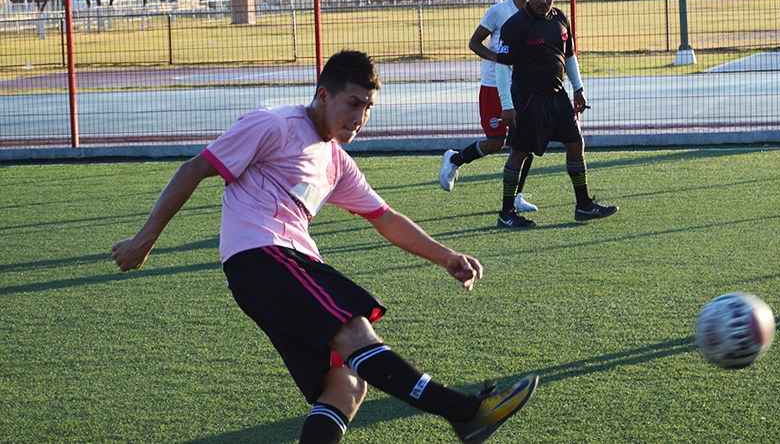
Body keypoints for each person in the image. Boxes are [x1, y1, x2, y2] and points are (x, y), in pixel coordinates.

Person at [111, 50, 537, 444]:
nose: (360, 117)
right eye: (352, 103)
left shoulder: (335, 161)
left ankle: (465, 415)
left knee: (346, 386)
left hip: (280, 265)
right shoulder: (273, 125)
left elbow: (385, 219)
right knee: (355, 332)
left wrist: (447, 257)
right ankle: (464, 412)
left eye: (367, 108)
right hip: (263, 256)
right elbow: (194, 168)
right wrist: (143, 240)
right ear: (323, 95)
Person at [492, 0, 618, 228]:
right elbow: (502, 68)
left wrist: (578, 88)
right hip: (528, 99)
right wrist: (507, 104)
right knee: (519, 152)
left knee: (575, 144)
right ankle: (506, 212)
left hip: (558, 97)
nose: (543, 1)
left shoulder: (560, 17)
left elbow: (569, 55)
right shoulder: (516, 25)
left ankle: (583, 206)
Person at [439, 0, 538, 215]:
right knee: (496, 142)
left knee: (525, 143)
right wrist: (501, 59)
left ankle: (517, 197)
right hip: (495, 84)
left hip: (523, 87)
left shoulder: (537, 14)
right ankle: (455, 160)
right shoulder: (498, 12)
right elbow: (474, 42)